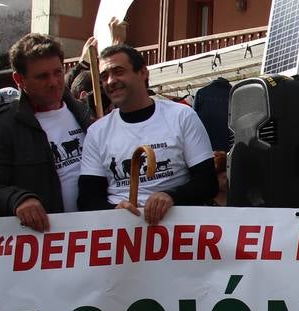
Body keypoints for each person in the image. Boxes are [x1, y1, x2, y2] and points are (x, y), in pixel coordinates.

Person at [78, 44, 216, 224]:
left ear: (143, 72)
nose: (110, 81)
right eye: (104, 77)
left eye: (118, 71)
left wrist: (170, 196)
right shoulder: (97, 132)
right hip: (121, 234)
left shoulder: (182, 116)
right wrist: (114, 210)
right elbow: (87, 198)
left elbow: (207, 183)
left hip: (176, 231)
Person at [0, 33, 95, 230]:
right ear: (19, 80)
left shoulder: (84, 113)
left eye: (57, 72)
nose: (54, 82)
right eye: (42, 76)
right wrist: (19, 200)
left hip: (94, 235)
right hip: (43, 243)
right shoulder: (4, 127)